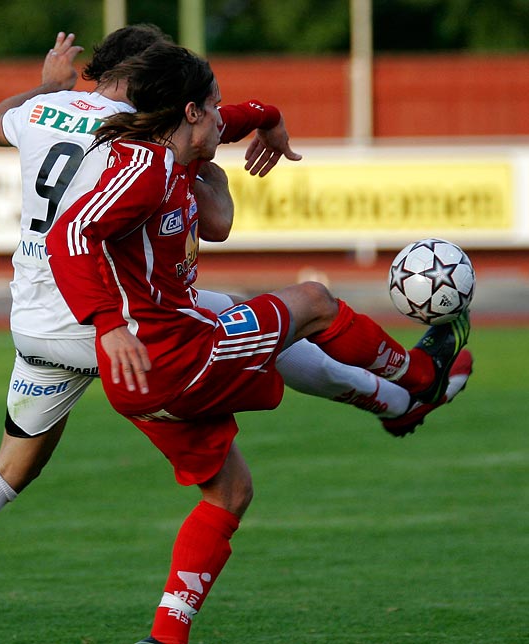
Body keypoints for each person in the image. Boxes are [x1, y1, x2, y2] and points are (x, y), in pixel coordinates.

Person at [0, 26, 472, 644]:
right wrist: (257, 128)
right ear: (146, 82)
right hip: (120, 325)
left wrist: (46, 85)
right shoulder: (142, 143)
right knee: (277, 321)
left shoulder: (46, 111)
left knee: (10, 467)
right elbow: (206, 210)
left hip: (37, 323)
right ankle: (402, 394)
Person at [45, 41, 471, 644]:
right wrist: (107, 322)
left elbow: (230, 121)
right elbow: (73, 235)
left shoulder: (172, 150)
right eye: (215, 109)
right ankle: (422, 379)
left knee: (231, 493)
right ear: (190, 112)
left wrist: (265, 115)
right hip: (178, 355)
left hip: (140, 383)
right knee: (315, 303)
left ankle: (164, 638)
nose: (224, 119)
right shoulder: (148, 169)